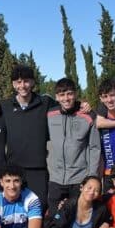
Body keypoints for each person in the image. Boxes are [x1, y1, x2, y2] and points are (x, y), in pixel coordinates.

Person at [1, 65, 55, 207]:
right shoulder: (5, 106)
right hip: (14, 169)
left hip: (38, 168)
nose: (22, 85)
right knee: (16, 208)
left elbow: (66, 106)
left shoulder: (45, 102)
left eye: (26, 81)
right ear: (13, 84)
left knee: (39, 206)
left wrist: (82, 105)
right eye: (18, 82)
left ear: (32, 82)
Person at [46, 78, 101, 212]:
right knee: (55, 217)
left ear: (76, 94)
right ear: (56, 97)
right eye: (62, 95)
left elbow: (94, 148)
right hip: (55, 178)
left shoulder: (88, 116)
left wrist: (92, 176)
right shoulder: (50, 114)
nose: (66, 98)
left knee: (78, 216)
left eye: (69, 94)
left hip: (79, 179)